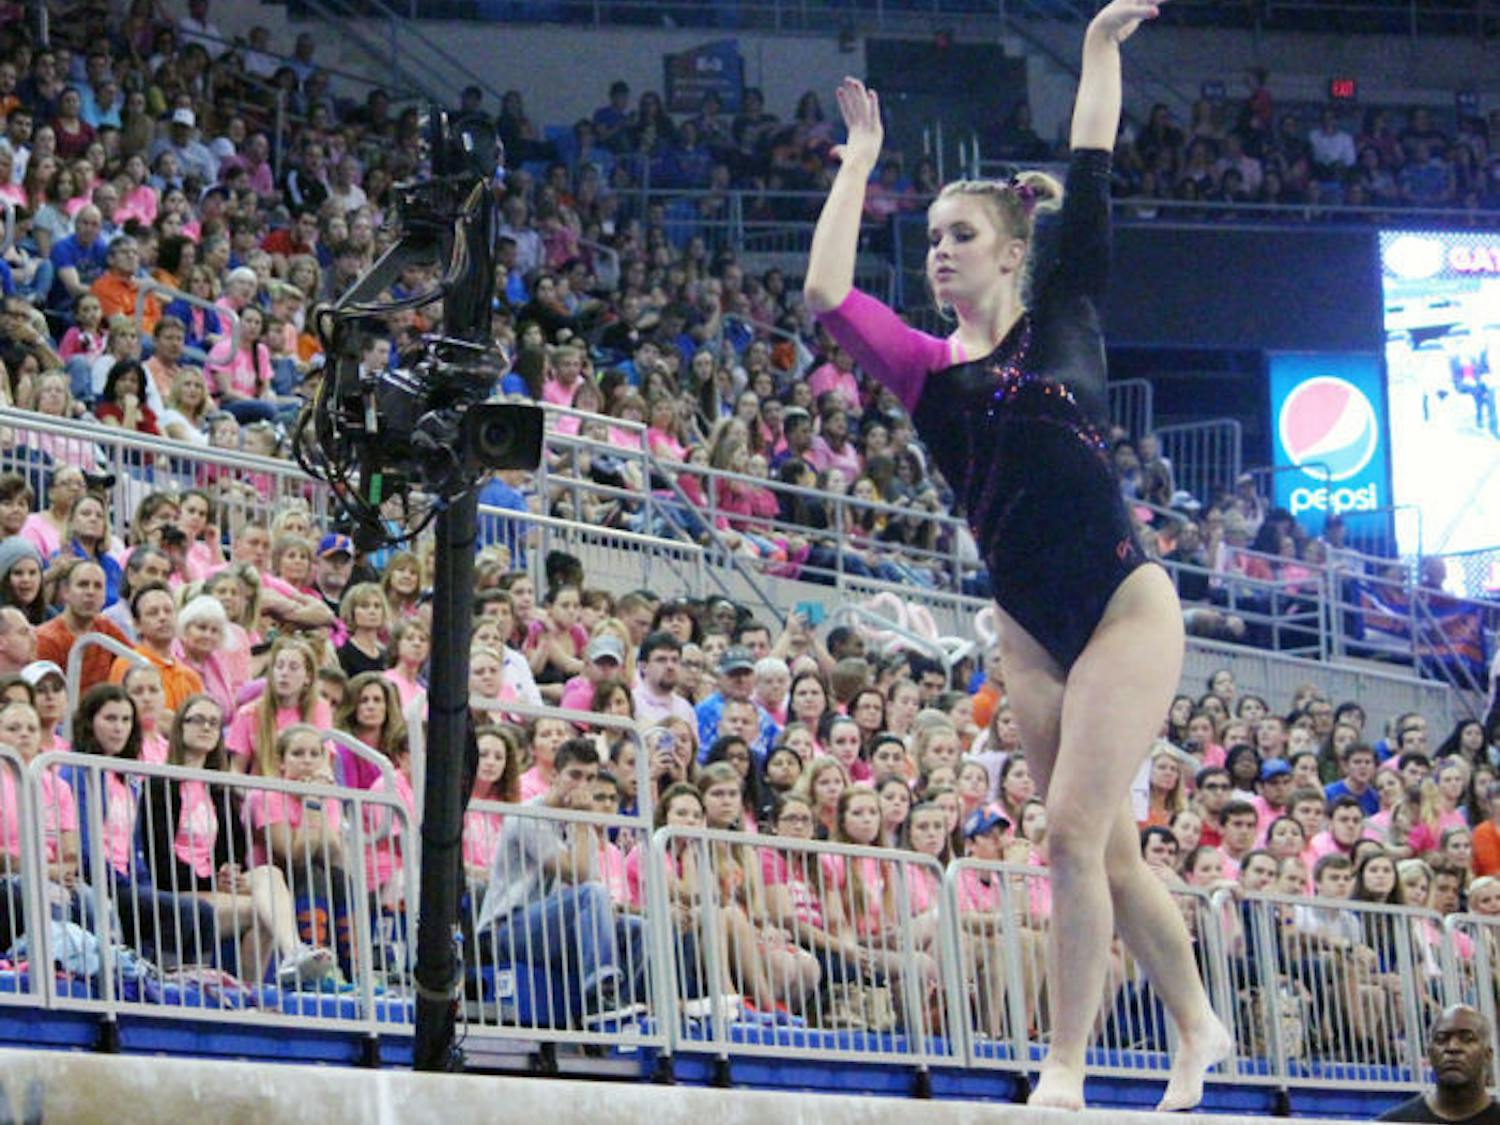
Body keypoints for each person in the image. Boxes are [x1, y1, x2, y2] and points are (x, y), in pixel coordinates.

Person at [802, 1, 1228, 1109]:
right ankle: (1197, 1025)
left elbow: (1092, 160)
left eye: (960, 237)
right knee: (1108, 852)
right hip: (1030, 629)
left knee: (1070, 834)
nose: (939, 254)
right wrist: (860, 164)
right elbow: (826, 294)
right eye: (932, 237)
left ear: (1013, 250)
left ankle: (1068, 1067)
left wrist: (1094, 50)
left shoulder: (1067, 310)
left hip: (1127, 608)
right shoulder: (922, 370)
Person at [1378, 1005, 1500, 1122]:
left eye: (1467, 1038)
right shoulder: (1395, 1122)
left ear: (1487, 1055)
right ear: (1430, 1054)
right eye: (1441, 1039)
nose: (1452, 1047)